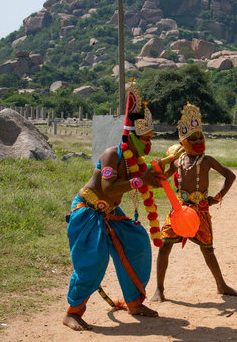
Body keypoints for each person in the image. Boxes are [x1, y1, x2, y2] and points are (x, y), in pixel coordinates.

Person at [63, 82, 163, 331]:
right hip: (87, 211)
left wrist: (161, 174)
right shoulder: (110, 155)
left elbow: (145, 181)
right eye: (146, 139)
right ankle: (72, 312)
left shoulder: (135, 161)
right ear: (132, 137)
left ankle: (134, 303)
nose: (149, 145)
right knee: (93, 262)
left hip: (110, 213)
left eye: (151, 139)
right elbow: (108, 189)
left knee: (138, 245)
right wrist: (141, 179)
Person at [151, 102, 237, 301]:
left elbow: (230, 175)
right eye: (193, 138)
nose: (198, 140)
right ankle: (159, 289)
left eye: (200, 136)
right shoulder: (177, 160)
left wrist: (217, 198)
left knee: (207, 250)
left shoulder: (207, 160)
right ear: (183, 141)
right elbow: (163, 179)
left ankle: (221, 285)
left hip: (200, 210)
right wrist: (152, 173)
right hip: (178, 210)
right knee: (165, 246)